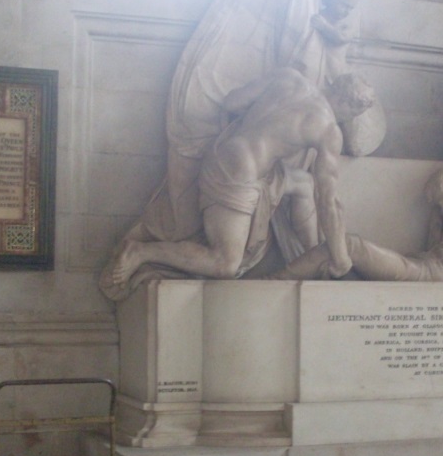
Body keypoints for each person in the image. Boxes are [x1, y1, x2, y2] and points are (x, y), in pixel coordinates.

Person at [102, 67, 374, 292]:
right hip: (238, 175)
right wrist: (340, 258)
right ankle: (141, 252)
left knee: (304, 184)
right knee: (225, 264)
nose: (350, 120)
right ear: (349, 105)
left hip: (226, 152)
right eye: (355, 114)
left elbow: (232, 102)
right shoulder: (328, 130)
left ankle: (311, 257)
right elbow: (328, 202)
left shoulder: (289, 77)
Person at [272, 167, 443, 282]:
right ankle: (278, 282)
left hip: (425, 276)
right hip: (418, 265)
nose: (442, 209)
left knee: (349, 246)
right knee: (341, 265)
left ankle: (272, 282)